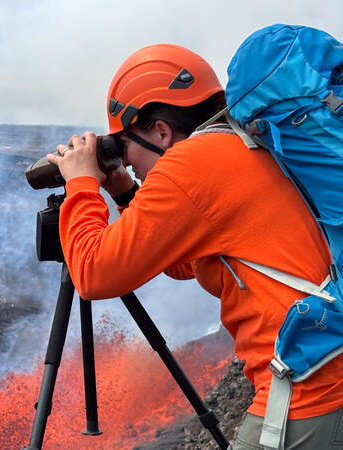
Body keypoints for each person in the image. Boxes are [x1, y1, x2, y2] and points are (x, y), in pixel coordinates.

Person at [46, 44, 343, 449]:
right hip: (328, 364)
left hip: (311, 391)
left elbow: (94, 275)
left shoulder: (189, 164)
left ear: (161, 132)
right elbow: (187, 262)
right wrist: (127, 193)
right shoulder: (237, 145)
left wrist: (81, 183)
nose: (125, 160)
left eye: (124, 143)